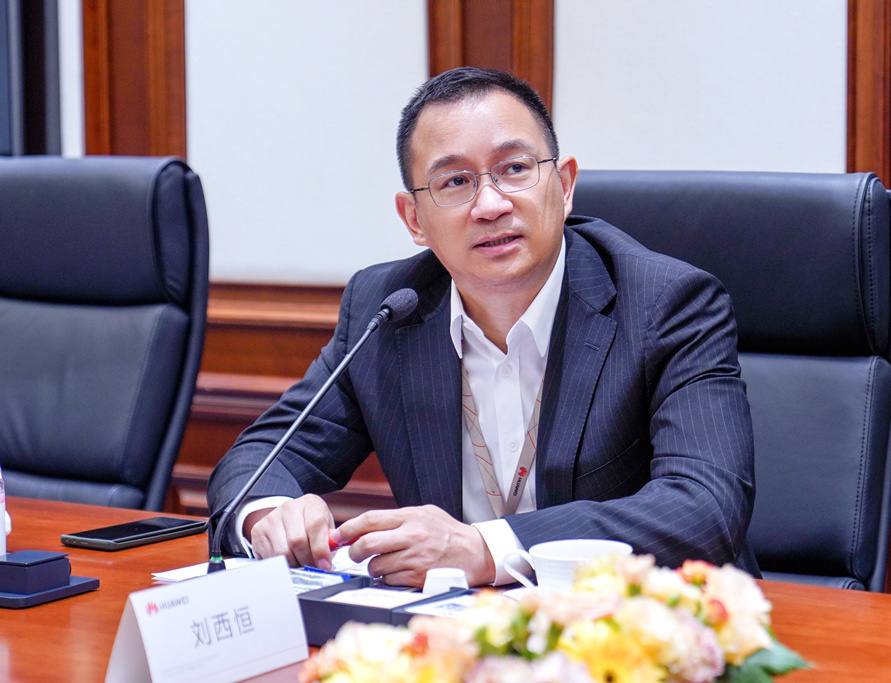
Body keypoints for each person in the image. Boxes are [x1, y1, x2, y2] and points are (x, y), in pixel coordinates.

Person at [207, 67, 756, 588]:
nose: (490, 205)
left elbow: (705, 506)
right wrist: (269, 514)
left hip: (636, 625)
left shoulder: (665, 304)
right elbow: (262, 457)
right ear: (414, 219)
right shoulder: (388, 310)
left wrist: (486, 549)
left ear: (564, 185)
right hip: (456, 631)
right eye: (455, 181)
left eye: (514, 169)